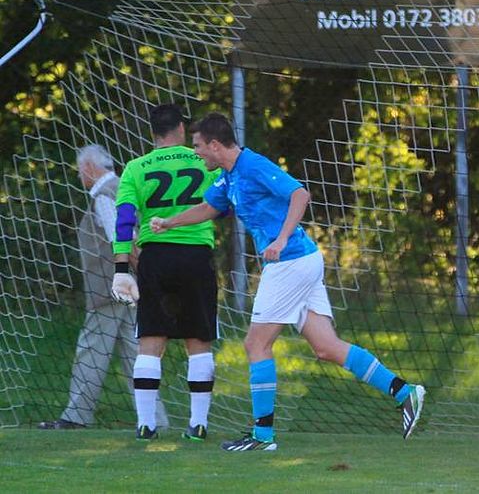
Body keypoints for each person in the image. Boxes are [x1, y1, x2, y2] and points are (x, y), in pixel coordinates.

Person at [151, 112, 426, 451]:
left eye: (198, 146)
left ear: (216, 145)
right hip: (302, 261)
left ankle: (262, 436)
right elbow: (208, 208)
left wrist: (280, 240)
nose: (196, 153)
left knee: (255, 345)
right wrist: (169, 223)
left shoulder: (252, 165)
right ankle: (404, 392)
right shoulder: (228, 176)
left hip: (290, 262)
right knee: (326, 347)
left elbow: (299, 194)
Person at [38, 145, 169, 431]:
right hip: (133, 287)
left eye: (79, 170)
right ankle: (156, 420)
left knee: (92, 349)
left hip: (111, 288)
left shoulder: (104, 195)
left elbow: (122, 240)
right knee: (135, 355)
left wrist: (141, 273)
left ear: (89, 167)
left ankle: (76, 416)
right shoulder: (126, 187)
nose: (79, 176)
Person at [111, 104, 219, 441]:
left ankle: (146, 425)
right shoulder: (203, 160)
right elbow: (223, 204)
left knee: (150, 340)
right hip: (196, 255)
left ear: (153, 132)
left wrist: (121, 268)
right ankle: (198, 425)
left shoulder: (135, 168)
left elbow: (124, 219)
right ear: (183, 128)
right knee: (198, 340)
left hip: (155, 258)